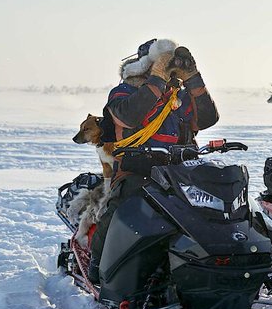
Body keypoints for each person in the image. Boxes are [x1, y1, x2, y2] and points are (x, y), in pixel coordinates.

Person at [89, 38, 219, 282]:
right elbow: (128, 116)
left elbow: (207, 119)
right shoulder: (123, 92)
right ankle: (98, 259)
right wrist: (157, 78)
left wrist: (193, 78)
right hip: (137, 168)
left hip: (180, 169)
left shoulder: (178, 97)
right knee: (122, 207)